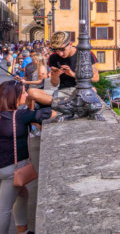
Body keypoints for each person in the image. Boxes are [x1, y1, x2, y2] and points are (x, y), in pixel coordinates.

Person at [0, 81, 53, 234]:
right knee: (4, 209)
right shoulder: (21, 115)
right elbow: (49, 113)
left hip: (4, 166)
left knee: (22, 195)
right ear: (15, 97)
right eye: (23, 92)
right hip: (12, 169)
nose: (26, 94)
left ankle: (23, 230)